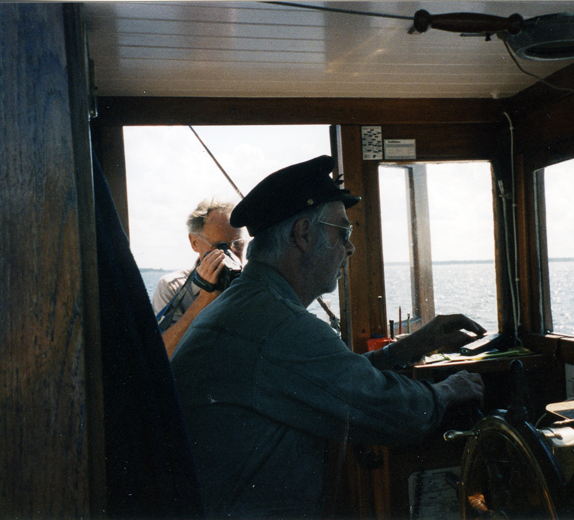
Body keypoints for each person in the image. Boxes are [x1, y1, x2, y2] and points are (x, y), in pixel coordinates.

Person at [171, 156, 486, 519]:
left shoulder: (250, 303)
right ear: (303, 234)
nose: (350, 248)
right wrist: (448, 391)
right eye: (343, 233)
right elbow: (392, 412)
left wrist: (408, 348)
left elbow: (326, 378)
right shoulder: (277, 324)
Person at [152, 199, 247, 357]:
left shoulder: (254, 286)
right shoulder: (172, 287)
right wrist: (205, 298)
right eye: (220, 246)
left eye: (237, 245)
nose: (230, 254)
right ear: (194, 243)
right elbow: (162, 355)